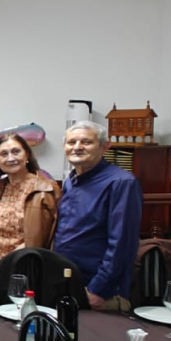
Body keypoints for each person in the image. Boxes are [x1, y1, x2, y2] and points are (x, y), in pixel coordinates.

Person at [54, 121, 142, 311]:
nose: (77, 147)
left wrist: (98, 289)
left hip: (100, 291)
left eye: (86, 142)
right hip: (69, 283)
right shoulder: (72, 180)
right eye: (71, 142)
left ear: (105, 146)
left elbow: (122, 244)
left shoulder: (122, 182)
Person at [0, 133, 61, 274]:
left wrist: (0, 265)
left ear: (27, 156)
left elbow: (40, 238)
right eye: (3, 154)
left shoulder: (46, 189)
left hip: (25, 269)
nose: (10, 158)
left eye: (16, 151)